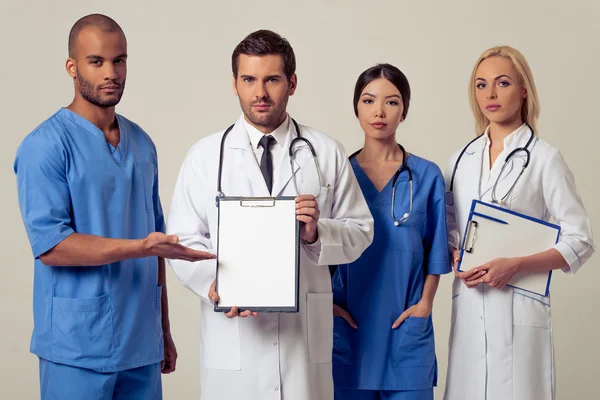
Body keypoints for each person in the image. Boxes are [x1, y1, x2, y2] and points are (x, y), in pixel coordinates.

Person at [13, 14, 214, 400]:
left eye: (119, 60)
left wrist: (162, 329)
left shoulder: (141, 144)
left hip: (140, 344)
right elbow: (52, 247)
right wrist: (139, 247)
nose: (111, 72)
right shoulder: (45, 146)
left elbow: (157, 244)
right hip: (76, 348)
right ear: (72, 67)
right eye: (96, 61)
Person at [166, 29, 374, 400]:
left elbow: (360, 231)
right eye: (248, 79)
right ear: (234, 84)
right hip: (235, 342)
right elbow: (183, 240)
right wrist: (213, 285)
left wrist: (315, 233)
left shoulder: (325, 152)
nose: (259, 92)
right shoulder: (204, 156)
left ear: (292, 83)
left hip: (301, 345)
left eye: (271, 79)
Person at [443, 46, 595, 400]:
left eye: (503, 83)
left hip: (520, 308)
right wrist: (453, 253)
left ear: (524, 89)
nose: (490, 94)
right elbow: (451, 228)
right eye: (481, 85)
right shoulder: (460, 160)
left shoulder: (544, 159)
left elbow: (580, 239)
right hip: (469, 308)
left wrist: (517, 265)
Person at [331, 64, 451, 400]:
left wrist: (426, 303)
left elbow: (436, 251)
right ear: (356, 107)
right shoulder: (339, 174)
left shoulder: (427, 176)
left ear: (404, 111)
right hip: (349, 334)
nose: (379, 112)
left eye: (392, 102)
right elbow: (316, 248)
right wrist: (326, 304)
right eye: (369, 101)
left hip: (405, 333)